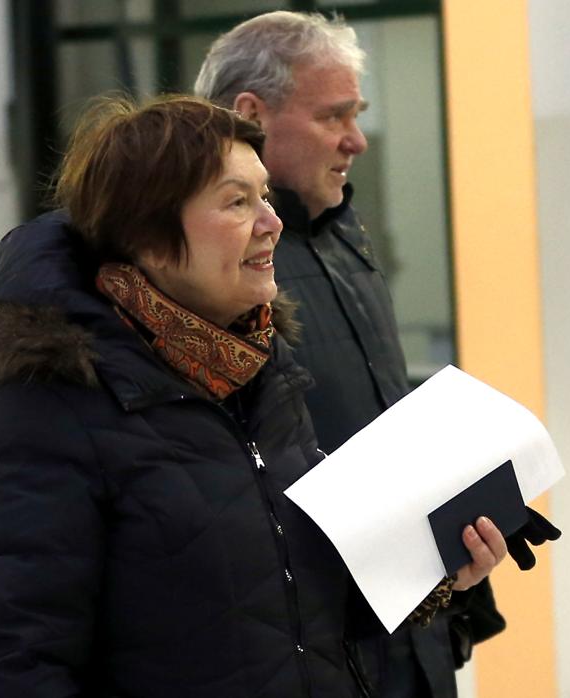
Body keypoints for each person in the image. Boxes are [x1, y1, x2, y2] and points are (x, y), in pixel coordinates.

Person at [0, 95, 507, 697]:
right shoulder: (46, 408)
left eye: (264, 196)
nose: (272, 222)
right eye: (237, 202)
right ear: (150, 238)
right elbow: (18, 668)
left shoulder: (263, 370)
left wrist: (436, 576)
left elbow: (295, 611)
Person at [193, 12, 533, 696]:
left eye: (359, 114)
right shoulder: (208, 275)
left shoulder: (345, 238)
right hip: (307, 655)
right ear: (250, 115)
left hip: (409, 639)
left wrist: (457, 579)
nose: (357, 140)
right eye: (334, 116)